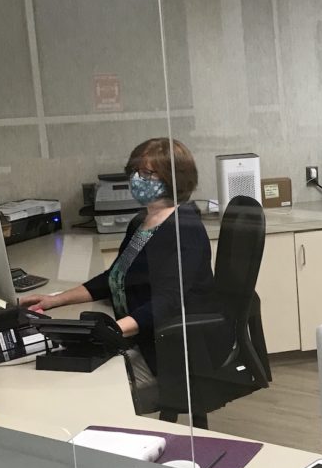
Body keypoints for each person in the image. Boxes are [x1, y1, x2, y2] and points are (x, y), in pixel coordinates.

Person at [20, 138, 215, 409]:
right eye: (134, 172)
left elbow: (169, 302)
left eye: (147, 174)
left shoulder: (184, 229)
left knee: (86, 393)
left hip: (166, 352)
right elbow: (116, 276)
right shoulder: (143, 222)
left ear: (174, 178)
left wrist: (112, 330)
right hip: (139, 338)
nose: (137, 179)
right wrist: (56, 300)